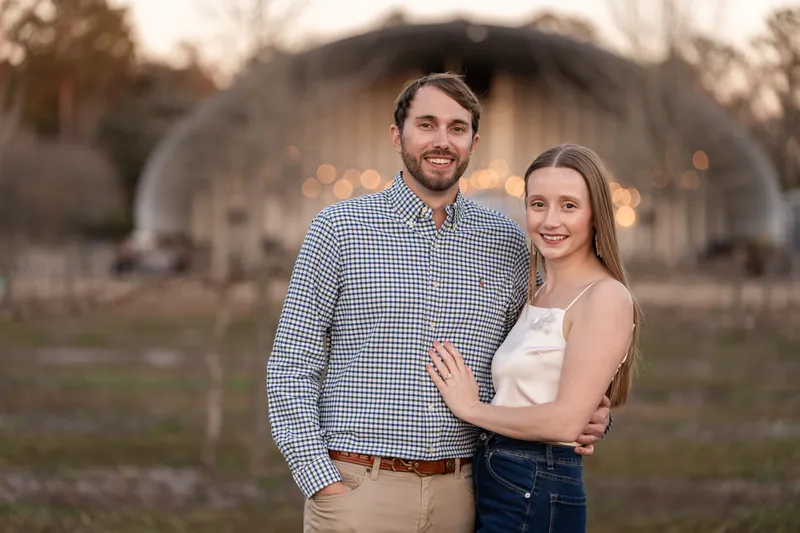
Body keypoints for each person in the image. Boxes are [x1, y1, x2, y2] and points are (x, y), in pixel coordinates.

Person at [266, 74, 611, 533]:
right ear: (398, 135)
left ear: (473, 141)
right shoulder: (340, 230)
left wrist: (592, 414)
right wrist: (320, 481)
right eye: (427, 124)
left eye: (457, 128)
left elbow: (532, 358)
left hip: (466, 494)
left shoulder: (506, 242)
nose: (442, 141)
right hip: (358, 491)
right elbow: (291, 363)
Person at [427, 143, 641, 532]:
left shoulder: (604, 296)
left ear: (596, 214)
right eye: (538, 204)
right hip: (500, 474)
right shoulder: (537, 292)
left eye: (569, 206)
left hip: (535, 481)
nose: (550, 220)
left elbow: (565, 422)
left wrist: (471, 409)